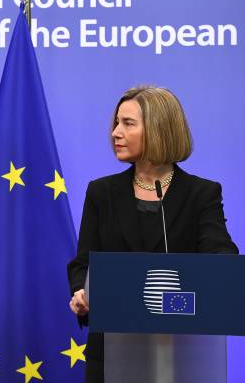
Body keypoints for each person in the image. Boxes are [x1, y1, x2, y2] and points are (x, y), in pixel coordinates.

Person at [66, 86, 238, 383]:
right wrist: (82, 291)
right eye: (116, 123)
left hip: (182, 354)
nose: (115, 133)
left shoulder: (202, 194)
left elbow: (219, 258)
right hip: (112, 352)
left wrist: (219, 278)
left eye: (128, 124)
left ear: (159, 129)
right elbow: (83, 263)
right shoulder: (101, 192)